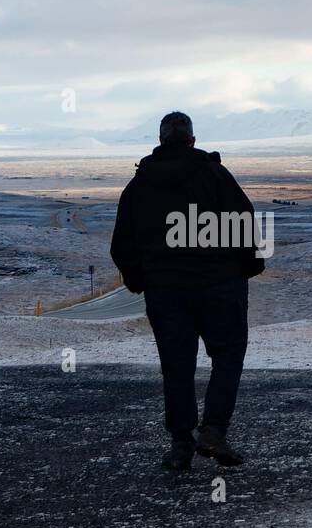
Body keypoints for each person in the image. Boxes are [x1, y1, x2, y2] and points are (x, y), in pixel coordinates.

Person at [111, 112, 265, 470]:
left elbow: (122, 244)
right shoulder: (215, 175)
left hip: (166, 291)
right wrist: (248, 267)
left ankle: (181, 444)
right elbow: (244, 221)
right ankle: (213, 432)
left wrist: (140, 280)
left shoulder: (139, 185)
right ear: (192, 141)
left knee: (176, 365)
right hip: (219, 285)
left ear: (161, 141)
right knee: (227, 358)